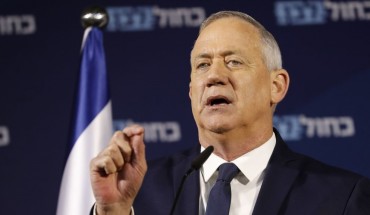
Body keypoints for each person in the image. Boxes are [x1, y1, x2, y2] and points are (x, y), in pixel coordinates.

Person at [89, 11, 370, 215]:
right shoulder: (140, 191)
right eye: (202, 65)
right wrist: (113, 211)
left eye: (233, 62)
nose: (214, 76)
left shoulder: (341, 196)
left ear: (276, 86)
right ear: (191, 91)